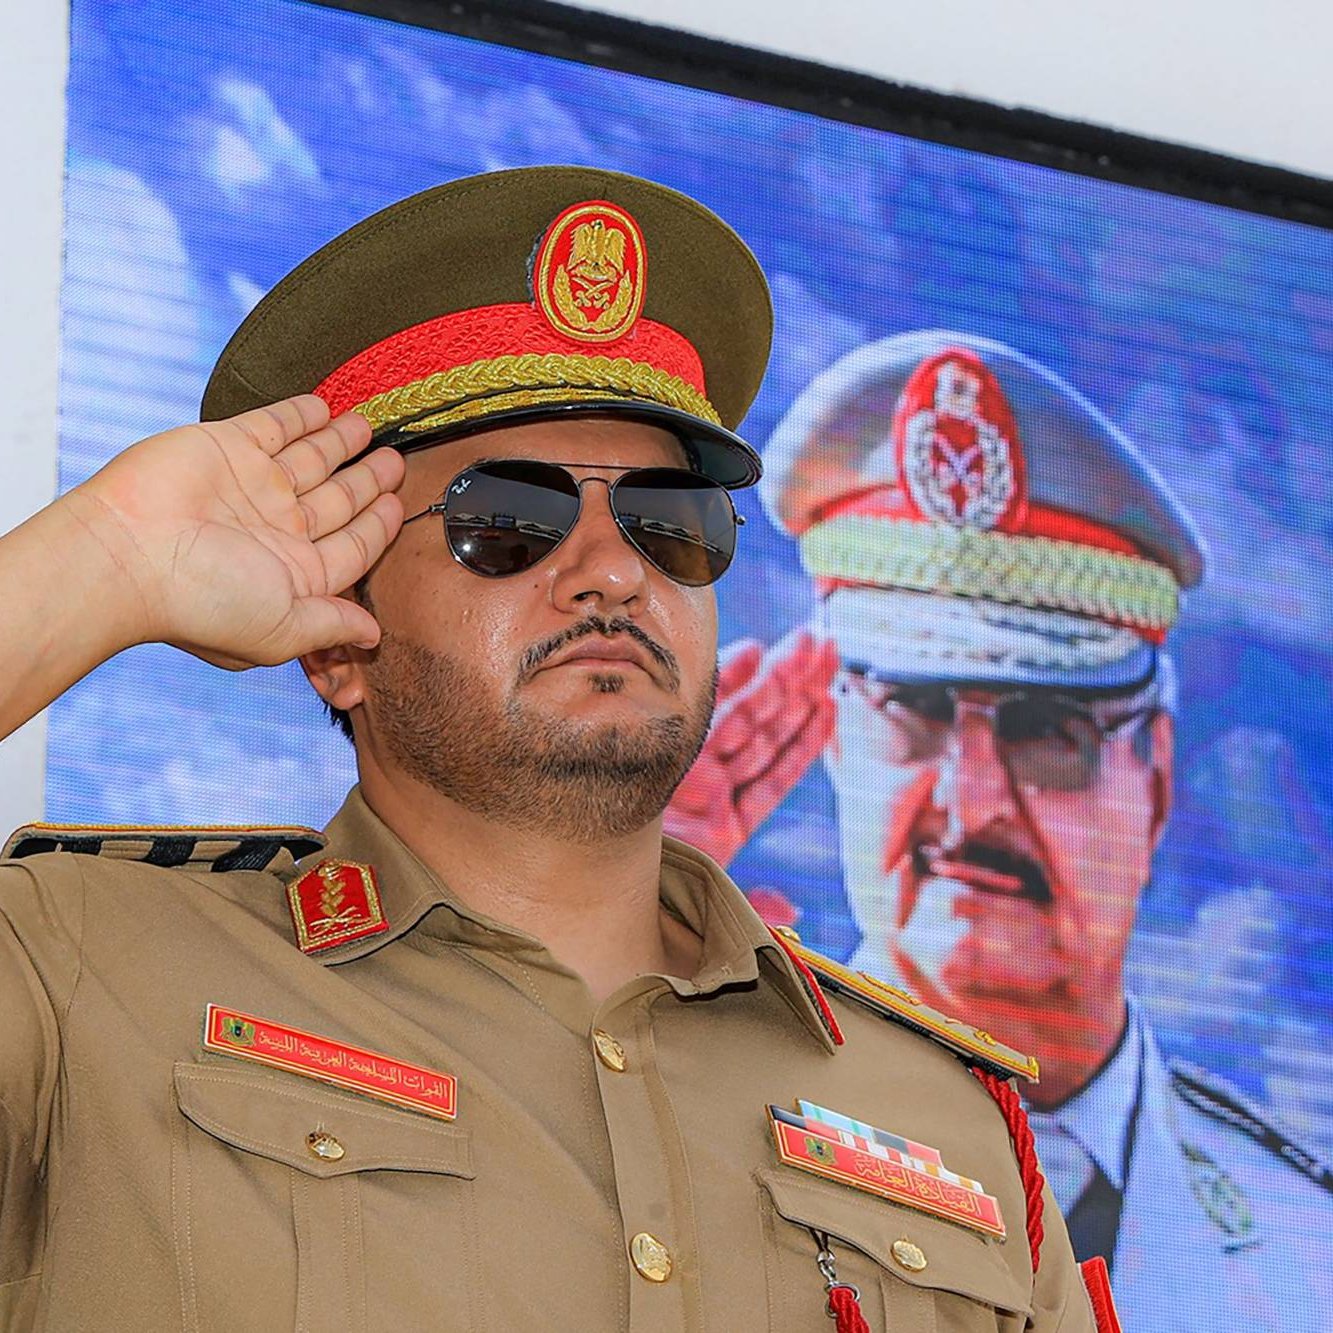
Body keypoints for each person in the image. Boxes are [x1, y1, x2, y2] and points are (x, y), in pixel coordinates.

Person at [0, 169, 1108, 1331]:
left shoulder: (944, 1124)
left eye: (668, 522)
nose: (611, 568)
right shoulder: (76, 972)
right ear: (337, 641)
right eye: (508, 522)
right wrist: (108, 564)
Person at [665, 330, 1333, 1329]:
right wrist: (588, 966)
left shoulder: (1305, 1248)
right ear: (838, 742)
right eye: (915, 711)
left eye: (1044, 727)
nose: (971, 801)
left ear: (1151, 773)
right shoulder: (671, 1118)